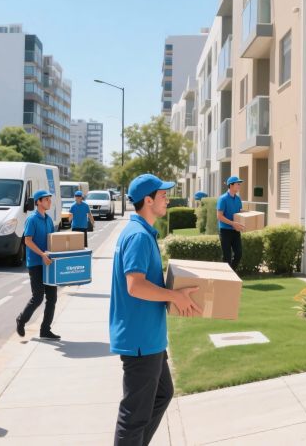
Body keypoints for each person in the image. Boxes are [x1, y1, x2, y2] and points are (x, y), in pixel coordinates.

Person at [110, 173, 201, 445]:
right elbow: (135, 286)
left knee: (163, 394)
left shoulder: (142, 232)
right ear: (148, 201)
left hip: (150, 338)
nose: (167, 199)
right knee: (133, 416)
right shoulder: (137, 236)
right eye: (162, 195)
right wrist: (175, 295)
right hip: (140, 340)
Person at [15, 189, 60, 341]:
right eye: (46, 199)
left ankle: (45, 330)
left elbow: (51, 240)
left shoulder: (48, 219)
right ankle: (21, 320)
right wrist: (42, 255)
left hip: (49, 263)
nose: (49, 202)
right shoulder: (32, 219)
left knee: (52, 298)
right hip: (36, 264)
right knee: (38, 297)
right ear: (38, 202)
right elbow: (27, 240)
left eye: (49, 199)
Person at [217, 176, 246, 269]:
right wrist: (233, 223)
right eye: (237, 184)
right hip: (225, 231)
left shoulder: (238, 199)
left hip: (235, 231)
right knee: (227, 257)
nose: (239, 186)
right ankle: (227, 277)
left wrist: (247, 215)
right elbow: (219, 216)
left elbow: (239, 213)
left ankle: (231, 273)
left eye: (239, 184)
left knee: (238, 254)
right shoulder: (223, 199)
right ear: (231, 185)